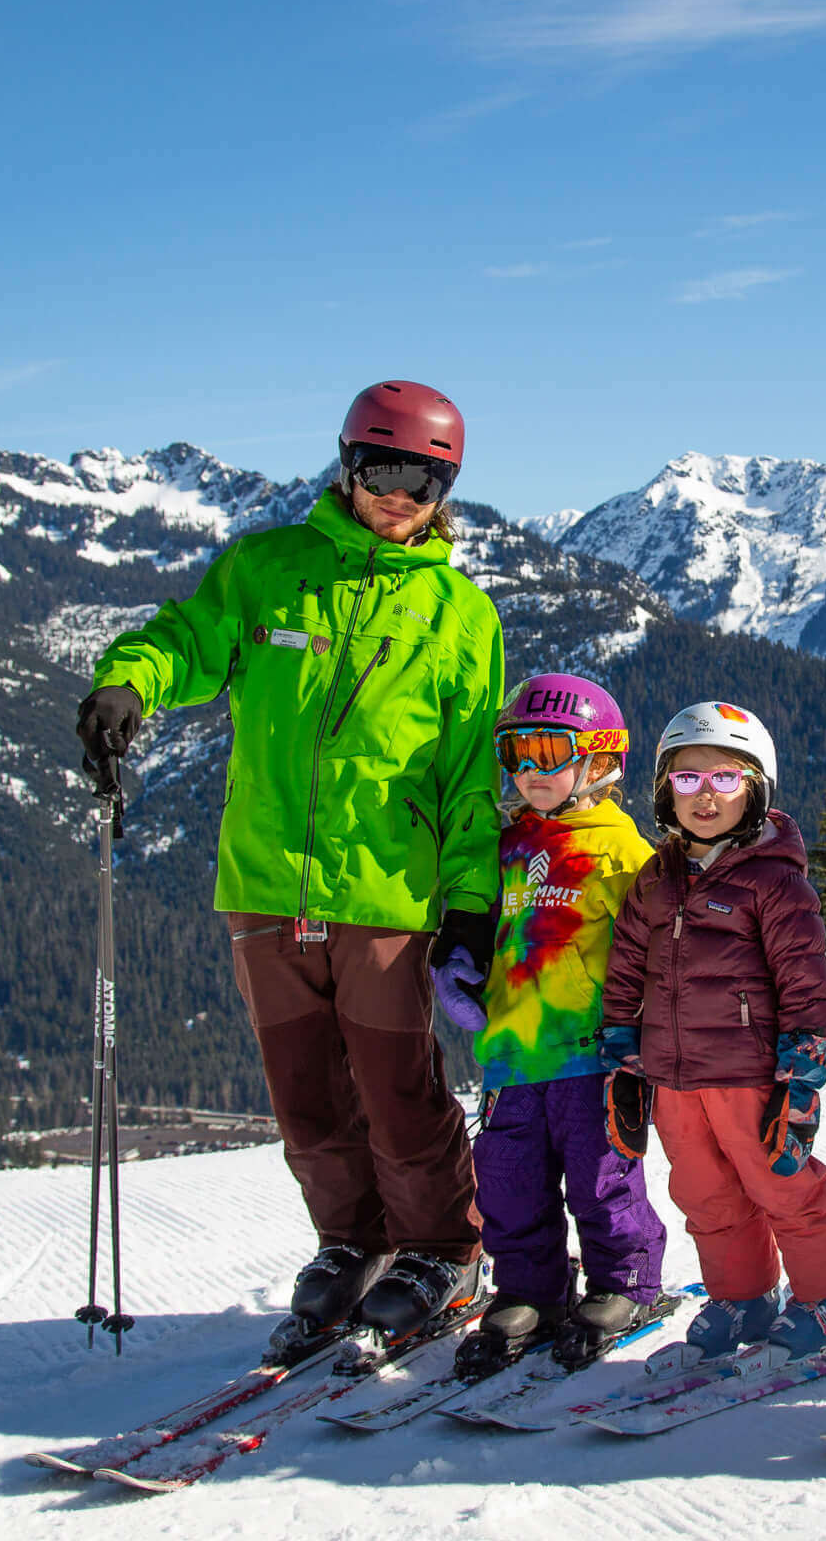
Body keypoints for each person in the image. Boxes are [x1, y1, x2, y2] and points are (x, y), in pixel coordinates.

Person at [75, 380, 503, 1357]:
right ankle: (350, 1240)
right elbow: (187, 641)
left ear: (447, 488)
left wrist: (473, 905)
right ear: (349, 465)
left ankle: (442, 1248)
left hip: (387, 892)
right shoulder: (268, 570)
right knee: (306, 1096)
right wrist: (128, 684)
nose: (401, 496)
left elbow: (472, 774)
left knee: (399, 1088)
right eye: (384, 471)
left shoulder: (461, 614)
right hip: (266, 886)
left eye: (426, 479)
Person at [599, 701, 826, 1369]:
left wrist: (803, 1069)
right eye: (687, 780)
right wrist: (622, 1054)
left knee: (782, 1182)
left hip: (751, 1073)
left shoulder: (774, 880)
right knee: (704, 1193)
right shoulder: (655, 879)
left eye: (725, 778)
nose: (705, 795)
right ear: (665, 790)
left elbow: (805, 982)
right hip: (673, 1075)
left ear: (756, 788)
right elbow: (627, 969)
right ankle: (742, 1296)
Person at [430, 672, 672, 1375]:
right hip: (511, 1053)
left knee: (602, 1175)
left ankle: (625, 1281)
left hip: (593, 1053)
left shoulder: (620, 850)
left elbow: (659, 943)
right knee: (507, 1179)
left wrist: (650, 1025)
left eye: (549, 752)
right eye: (516, 753)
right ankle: (529, 1288)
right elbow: (481, 920)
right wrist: (463, 962)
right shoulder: (506, 846)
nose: (530, 772)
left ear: (599, 759)